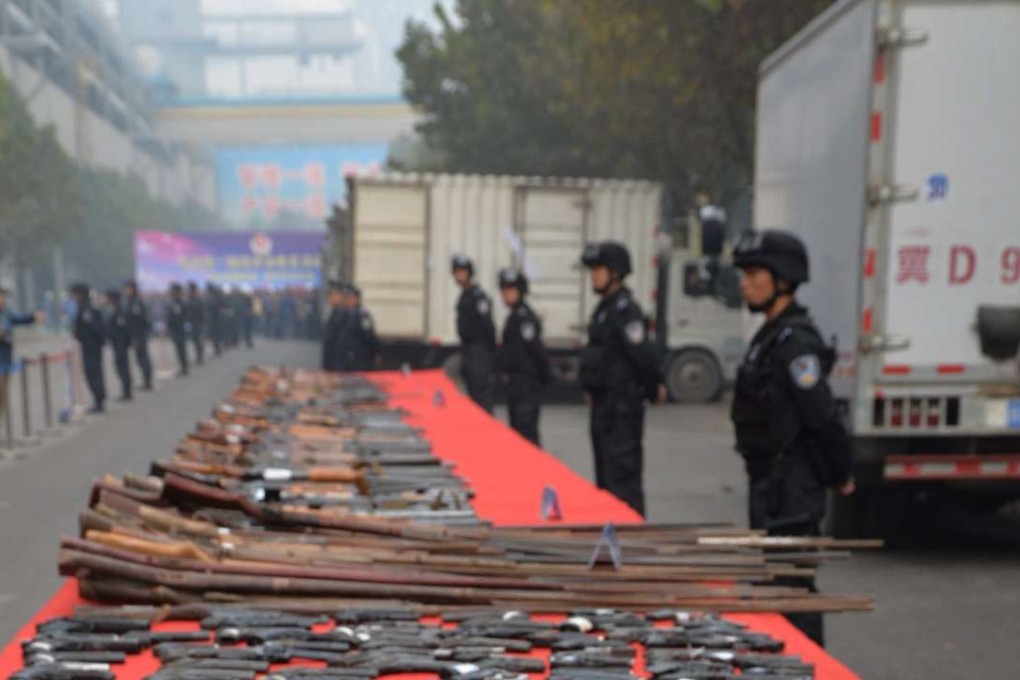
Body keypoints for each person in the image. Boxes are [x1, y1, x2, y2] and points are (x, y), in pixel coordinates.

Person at [730, 229, 855, 647]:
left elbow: (821, 416)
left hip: (792, 488)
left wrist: (841, 471)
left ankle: (807, 667)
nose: (744, 282)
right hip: (768, 484)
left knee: (793, 591)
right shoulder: (768, 338)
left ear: (782, 278)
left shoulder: (794, 342)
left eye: (753, 273)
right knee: (775, 588)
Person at [579, 241, 668, 517]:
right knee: (605, 481)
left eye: (599, 270)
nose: (593, 276)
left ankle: (632, 542)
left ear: (616, 273)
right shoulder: (604, 309)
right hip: (604, 408)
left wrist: (654, 389)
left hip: (621, 409)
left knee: (623, 482)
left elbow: (643, 357)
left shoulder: (625, 311)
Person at [496, 268, 551, 446]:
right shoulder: (514, 316)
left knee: (527, 436)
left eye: (511, 290)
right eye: (504, 290)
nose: (507, 295)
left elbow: (537, 352)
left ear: (521, 291)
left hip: (526, 386)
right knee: (517, 435)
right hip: (516, 386)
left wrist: (544, 379)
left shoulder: (525, 318)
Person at [451, 254, 497, 413]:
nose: (459, 275)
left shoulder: (478, 297)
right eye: (457, 272)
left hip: (479, 352)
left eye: (463, 272)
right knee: (472, 396)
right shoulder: (465, 295)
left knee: (481, 398)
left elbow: (488, 326)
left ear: (470, 273)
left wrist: (488, 354)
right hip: (469, 351)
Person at [0, 287, 45, 424]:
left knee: (2, 398)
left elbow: (20, 318)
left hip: (5, 361)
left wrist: (33, 316)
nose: (2, 300)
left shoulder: (6, 314)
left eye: (3, 297)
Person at [71, 283, 106, 414]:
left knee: (93, 373)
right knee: (93, 373)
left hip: (91, 346)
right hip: (89, 345)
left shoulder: (86, 309)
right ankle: (98, 400)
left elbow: (92, 327)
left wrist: (93, 340)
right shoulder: (85, 307)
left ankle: (99, 401)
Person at [341, 285, 381, 371]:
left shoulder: (362, 315)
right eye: (346, 298)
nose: (347, 301)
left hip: (360, 358)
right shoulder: (346, 314)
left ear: (356, 299)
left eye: (349, 298)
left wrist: (374, 353)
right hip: (348, 358)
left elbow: (369, 336)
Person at [123, 280, 153, 391]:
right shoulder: (129, 301)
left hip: (139, 334)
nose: (127, 291)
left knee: (143, 357)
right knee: (139, 358)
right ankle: (146, 380)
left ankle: (147, 381)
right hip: (134, 334)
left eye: (129, 288)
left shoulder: (136, 302)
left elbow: (141, 319)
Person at [105, 289, 133, 402]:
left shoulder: (120, 311)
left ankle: (127, 391)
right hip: (117, 343)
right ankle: (125, 390)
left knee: (123, 367)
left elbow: (123, 328)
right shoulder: (114, 310)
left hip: (120, 343)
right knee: (120, 367)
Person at [322, 281, 349, 371]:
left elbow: (339, 340)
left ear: (340, 296)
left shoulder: (342, 313)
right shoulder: (335, 312)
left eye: (332, 294)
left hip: (338, 360)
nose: (329, 297)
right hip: (333, 360)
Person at [165, 283, 189, 377]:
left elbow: (177, 317)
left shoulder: (178, 303)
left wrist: (171, 323)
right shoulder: (174, 302)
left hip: (178, 329)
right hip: (176, 329)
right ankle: (183, 366)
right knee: (179, 349)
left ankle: (184, 367)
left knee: (181, 348)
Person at [186, 282, 206, 366]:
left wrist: (202, 322)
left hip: (198, 323)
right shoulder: (189, 299)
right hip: (192, 323)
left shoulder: (197, 300)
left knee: (198, 340)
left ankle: (200, 356)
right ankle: (198, 356)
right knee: (194, 340)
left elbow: (201, 312)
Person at [205, 283, 223, 356]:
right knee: (215, 335)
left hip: (213, 319)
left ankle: (217, 348)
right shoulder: (215, 297)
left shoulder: (211, 298)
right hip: (215, 319)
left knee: (214, 335)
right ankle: (217, 348)